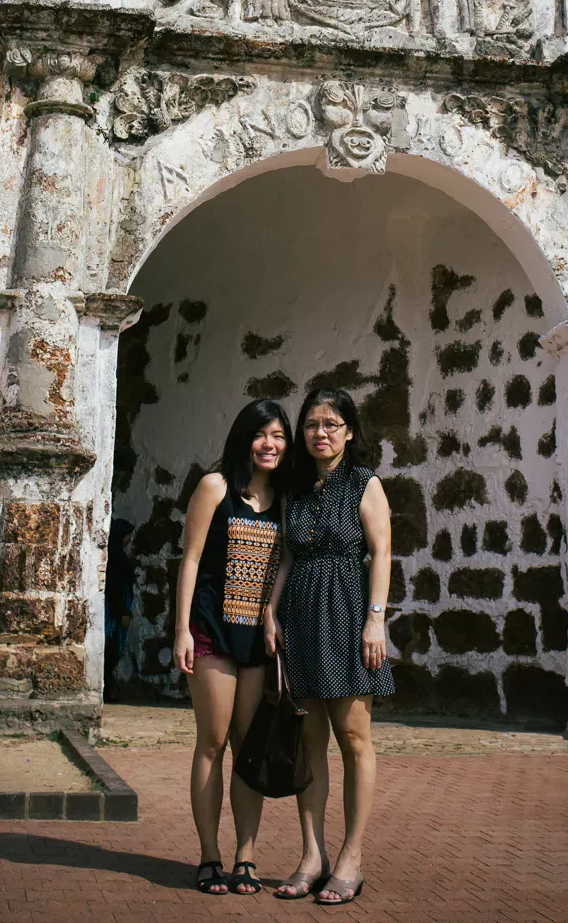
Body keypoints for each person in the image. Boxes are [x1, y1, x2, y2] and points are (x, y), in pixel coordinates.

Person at [265, 388, 394, 906]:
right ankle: (312, 855)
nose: (321, 432)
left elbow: (383, 552)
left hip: (349, 616)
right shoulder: (294, 491)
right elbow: (289, 557)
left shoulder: (366, 484)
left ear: (349, 432)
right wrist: (271, 612)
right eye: (313, 424)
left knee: (353, 737)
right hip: (301, 618)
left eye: (332, 424)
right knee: (308, 740)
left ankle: (352, 857)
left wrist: (376, 621)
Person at [174, 400, 292, 895]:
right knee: (212, 742)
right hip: (212, 632)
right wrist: (180, 629)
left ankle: (245, 855)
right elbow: (192, 559)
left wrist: (272, 611)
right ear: (245, 437)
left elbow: (285, 561)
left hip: (256, 640)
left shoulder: (287, 498)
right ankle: (208, 855)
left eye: (280, 436)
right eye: (262, 434)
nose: (271, 444)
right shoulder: (215, 487)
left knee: (248, 747)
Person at [103, 518, 137, 702]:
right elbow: (115, 588)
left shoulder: (116, 556)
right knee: (112, 649)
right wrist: (122, 611)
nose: (130, 539)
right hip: (114, 610)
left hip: (117, 607)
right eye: (128, 535)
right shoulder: (116, 559)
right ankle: (106, 689)